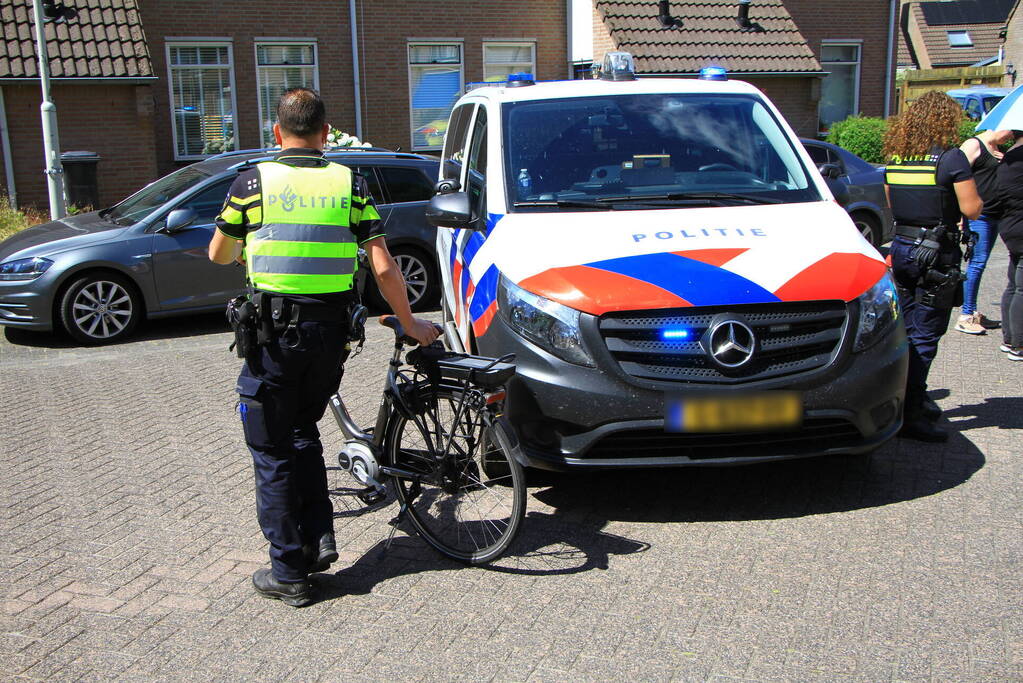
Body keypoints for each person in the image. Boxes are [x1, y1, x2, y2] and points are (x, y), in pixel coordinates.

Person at [208, 88, 439, 606]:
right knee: (302, 430)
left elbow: (219, 253)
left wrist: (252, 247)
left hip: (274, 340)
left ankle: (289, 571)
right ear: (325, 133)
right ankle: (318, 540)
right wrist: (409, 322)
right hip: (331, 337)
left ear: (277, 132)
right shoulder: (349, 183)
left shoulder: (253, 183)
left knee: (271, 447)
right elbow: (383, 266)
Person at [883, 90, 983, 442]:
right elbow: (972, 209)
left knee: (906, 331)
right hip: (936, 256)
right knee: (925, 334)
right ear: (945, 120)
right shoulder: (951, 158)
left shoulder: (898, 158)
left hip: (902, 250)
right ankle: (911, 416)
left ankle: (908, 399)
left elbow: (892, 203)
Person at [955, 129, 1015, 334]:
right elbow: (956, 178)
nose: (1010, 137)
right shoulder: (974, 145)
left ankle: (973, 310)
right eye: (1009, 132)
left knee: (980, 263)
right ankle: (966, 315)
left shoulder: (998, 149)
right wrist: (960, 215)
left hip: (995, 214)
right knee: (977, 263)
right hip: (979, 216)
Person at [996, 133, 1023, 361]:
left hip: (1010, 225)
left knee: (1014, 284)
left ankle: (1009, 338)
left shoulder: (1009, 156)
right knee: (1021, 289)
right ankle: (1019, 344)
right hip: (1020, 226)